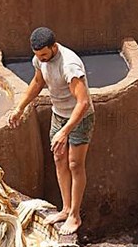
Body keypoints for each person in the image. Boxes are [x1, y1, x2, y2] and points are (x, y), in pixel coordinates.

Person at [8, 27, 95, 235]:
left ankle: (75, 215)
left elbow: (82, 103)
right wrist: (20, 107)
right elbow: (38, 82)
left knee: (75, 164)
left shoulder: (70, 65)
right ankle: (65, 209)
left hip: (79, 118)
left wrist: (65, 132)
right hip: (58, 114)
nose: (42, 59)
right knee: (59, 159)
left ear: (54, 47)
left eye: (45, 55)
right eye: (38, 56)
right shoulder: (40, 59)